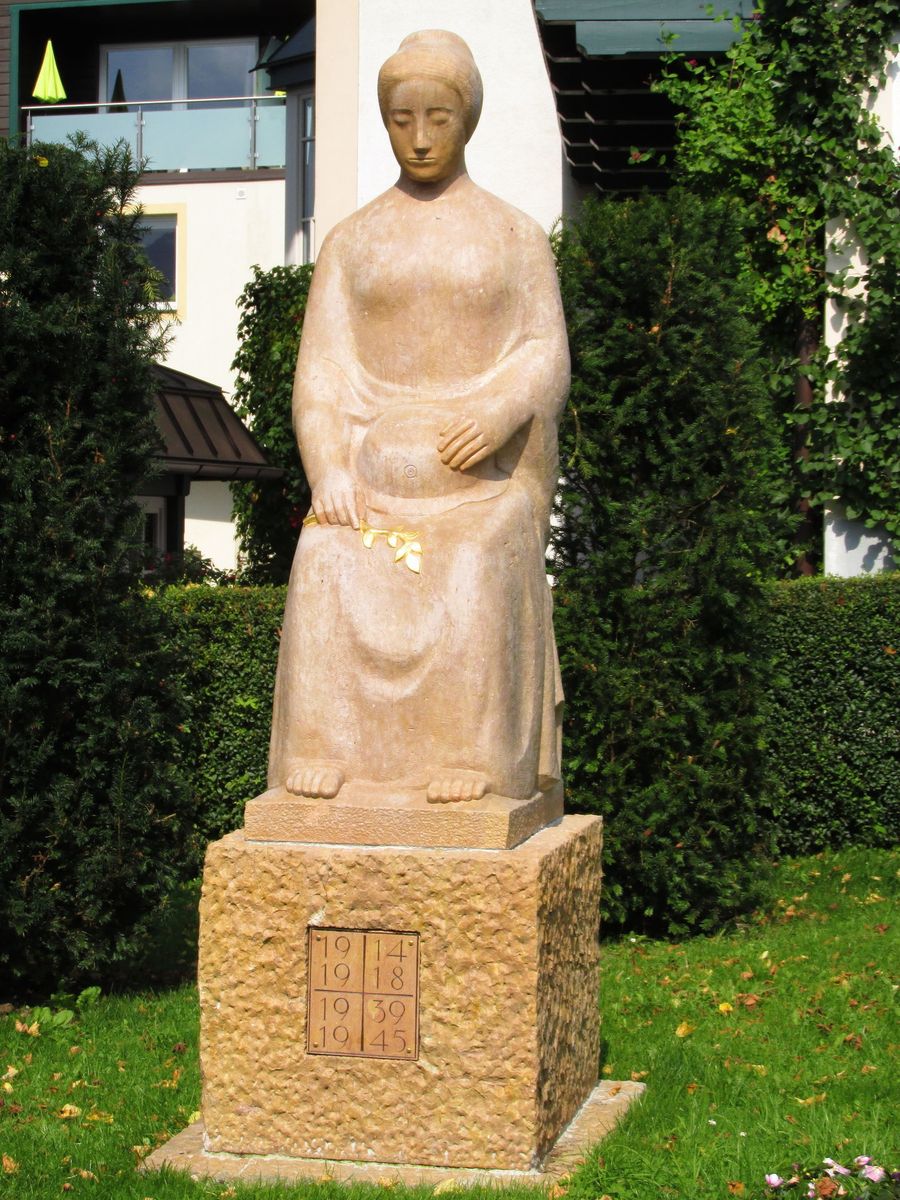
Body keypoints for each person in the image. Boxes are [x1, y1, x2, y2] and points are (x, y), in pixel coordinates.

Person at [267, 30, 570, 806]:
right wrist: (329, 470)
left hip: (479, 495)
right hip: (375, 498)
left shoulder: (515, 236)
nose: (422, 138)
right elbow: (321, 374)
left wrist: (499, 410)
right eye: (403, 120)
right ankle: (326, 748)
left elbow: (545, 351)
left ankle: (473, 754)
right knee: (325, 557)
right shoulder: (350, 242)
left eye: (439, 117)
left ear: (468, 119)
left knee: (473, 563)